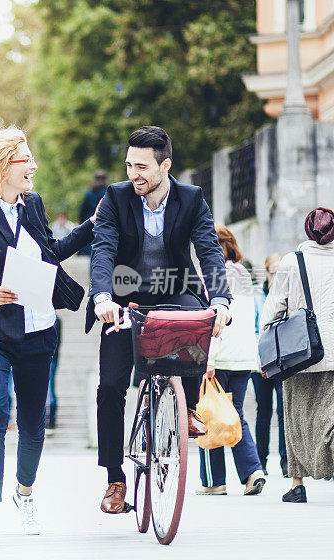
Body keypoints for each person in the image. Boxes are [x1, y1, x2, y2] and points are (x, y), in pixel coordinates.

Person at [0, 127, 95, 546]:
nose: (33, 166)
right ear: (3, 165)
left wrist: (94, 223)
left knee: (34, 424)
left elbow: (51, 251)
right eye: (26, 159)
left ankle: (25, 493)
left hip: (38, 330)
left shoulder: (33, 205)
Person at [88, 126, 231, 514]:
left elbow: (209, 251)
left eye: (142, 166)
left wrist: (220, 299)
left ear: (165, 165)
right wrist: (101, 297)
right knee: (110, 388)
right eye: (129, 164)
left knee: (195, 318)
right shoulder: (115, 198)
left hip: (174, 291)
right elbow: (102, 250)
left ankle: (184, 408)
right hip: (124, 297)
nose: (133, 173)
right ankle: (115, 479)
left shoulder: (191, 199)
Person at [260, 207, 334, 504]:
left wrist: (263, 349)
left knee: (295, 419)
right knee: (329, 417)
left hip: (300, 354)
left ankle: (297, 483)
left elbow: (274, 307)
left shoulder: (293, 262)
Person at [196, 225, 265, 496]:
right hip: (243, 357)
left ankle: (215, 481)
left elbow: (212, 321)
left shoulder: (215, 275)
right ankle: (252, 471)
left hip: (220, 356)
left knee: (210, 415)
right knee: (234, 414)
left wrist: (207, 358)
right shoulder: (244, 273)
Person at [252, 252, 287, 477]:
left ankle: (286, 462)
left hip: (284, 362)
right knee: (263, 412)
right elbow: (256, 329)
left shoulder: (289, 293)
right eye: (272, 271)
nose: (275, 276)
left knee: (284, 413)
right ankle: (260, 461)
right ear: (265, 272)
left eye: (279, 272)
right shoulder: (257, 297)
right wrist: (260, 360)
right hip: (261, 362)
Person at [78, 170, 108, 255]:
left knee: (92, 249)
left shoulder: (89, 193)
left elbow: (83, 211)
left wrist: (82, 223)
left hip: (90, 224)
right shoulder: (107, 192)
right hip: (103, 224)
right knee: (101, 249)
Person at [46, 315, 62, 431]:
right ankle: (50, 419)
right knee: (50, 388)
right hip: (52, 358)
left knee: (49, 389)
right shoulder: (57, 320)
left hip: (49, 358)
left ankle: (50, 418)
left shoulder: (54, 320)